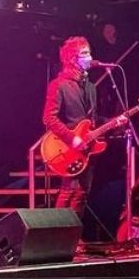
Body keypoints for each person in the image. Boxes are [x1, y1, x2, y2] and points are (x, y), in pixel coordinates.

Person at [42, 35, 102, 215]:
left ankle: (73, 235)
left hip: (86, 147)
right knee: (68, 190)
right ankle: (56, 234)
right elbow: (49, 118)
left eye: (89, 53)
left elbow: (92, 119)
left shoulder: (91, 87)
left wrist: (118, 121)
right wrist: (72, 138)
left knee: (82, 193)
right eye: (84, 53)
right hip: (68, 147)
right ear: (72, 59)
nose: (89, 57)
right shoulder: (58, 85)